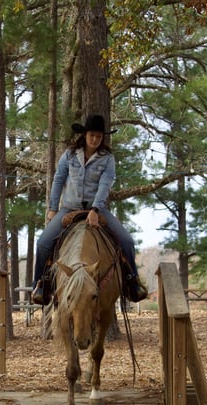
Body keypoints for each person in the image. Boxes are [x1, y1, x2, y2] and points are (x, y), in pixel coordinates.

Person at [31, 114, 148, 305]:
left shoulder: (107, 158)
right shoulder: (69, 155)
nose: (95, 139)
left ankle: (132, 282)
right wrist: (53, 208)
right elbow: (58, 179)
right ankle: (40, 285)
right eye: (92, 135)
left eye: (99, 137)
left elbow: (105, 185)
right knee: (43, 242)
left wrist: (95, 209)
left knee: (126, 240)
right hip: (69, 208)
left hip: (97, 210)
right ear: (85, 135)